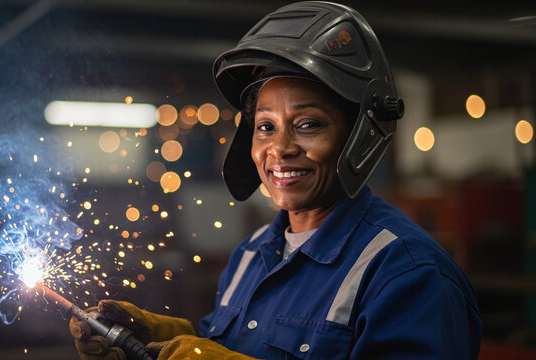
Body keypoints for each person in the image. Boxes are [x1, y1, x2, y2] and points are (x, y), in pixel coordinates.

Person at [69, 2, 482, 359]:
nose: (279, 148)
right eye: (265, 126)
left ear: (359, 134)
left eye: (307, 124)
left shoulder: (408, 274)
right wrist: (166, 342)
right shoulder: (250, 255)